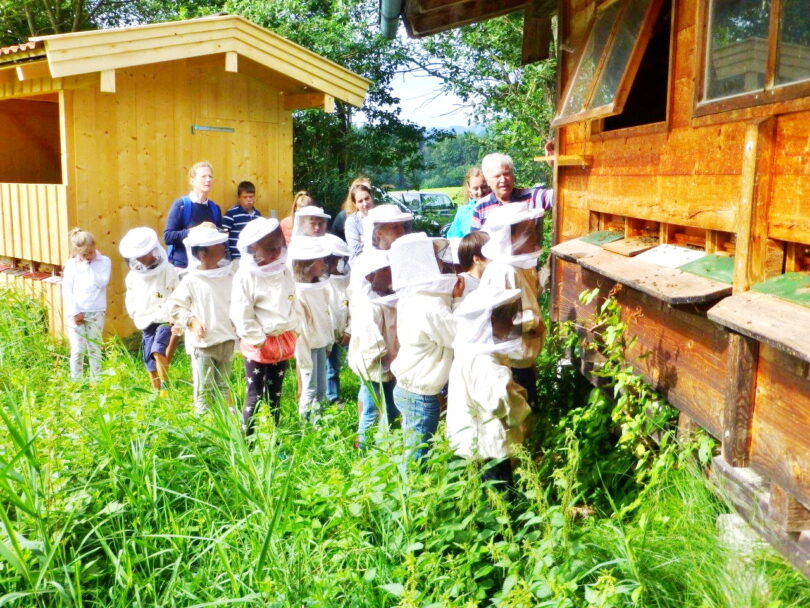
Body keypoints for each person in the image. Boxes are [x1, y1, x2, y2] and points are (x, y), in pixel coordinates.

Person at [446, 286, 531, 494]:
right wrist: (522, 401)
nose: (511, 323)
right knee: (499, 500)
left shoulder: (469, 351)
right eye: (507, 318)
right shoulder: (484, 363)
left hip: (469, 442)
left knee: (475, 496)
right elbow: (500, 403)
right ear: (490, 321)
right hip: (488, 447)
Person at [389, 233, 461, 461]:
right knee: (417, 459)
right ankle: (412, 485)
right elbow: (459, 336)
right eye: (434, 257)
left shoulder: (413, 297)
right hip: (420, 395)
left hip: (409, 388)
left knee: (413, 452)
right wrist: (460, 300)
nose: (440, 262)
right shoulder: (430, 306)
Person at [230, 218, 299, 434]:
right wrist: (258, 340)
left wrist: (293, 328)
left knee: (275, 394)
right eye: (270, 249)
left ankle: (274, 437)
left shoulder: (284, 270)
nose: (275, 253)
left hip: (282, 341)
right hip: (258, 346)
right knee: (254, 395)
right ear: (254, 247)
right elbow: (241, 313)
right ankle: (246, 440)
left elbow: (292, 300)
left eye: (278, 248)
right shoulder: (245, 276)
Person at [479, 202, 545, 411]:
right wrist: (533, 322)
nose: (534, 236)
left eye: (534, 229)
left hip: (521, 361)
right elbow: (496, 321)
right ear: (509, 237)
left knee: (530, 414)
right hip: (510, 364)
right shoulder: (503, 271)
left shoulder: (519, 266)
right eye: (528, 231)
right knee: (521, 419)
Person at [168, 226, 235, 414]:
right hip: (204, 344)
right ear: (203, 254)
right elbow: (174, 306)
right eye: (217, 244)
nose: (223, 247)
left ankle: (223, 426)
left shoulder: (229, 276)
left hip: (227, 340)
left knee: (224, 388)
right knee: (204, 390)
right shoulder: (191, 280)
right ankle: (203, 426)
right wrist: (192, 321)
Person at [348, 250, 399, 449]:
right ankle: (363, 449)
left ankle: (390, 444)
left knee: (392, 407)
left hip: (390, 364)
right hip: (373, 367)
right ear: (371, 276)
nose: (391, 273)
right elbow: (370, 342)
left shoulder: (388, 299)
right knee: (371, 408)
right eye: (386, 270)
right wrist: (382, 357)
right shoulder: (368, 305)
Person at [119, 227, 179, 391]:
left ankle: (166, 389)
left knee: (157, 351)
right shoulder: (133, 277)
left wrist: (174, 315)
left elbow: (175, 293)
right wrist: (134, 313)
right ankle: (156, 391)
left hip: (165, 319)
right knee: (148, 359)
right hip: (146, 320)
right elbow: (132, 298)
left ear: (151, 251)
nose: (139, 258)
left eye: (142, 254)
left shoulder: (168, 270)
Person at [289, 237, 334, 420]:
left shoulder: (320, 287)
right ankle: (305, 427)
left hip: (321, 342)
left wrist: (329, 341)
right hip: (307, 346)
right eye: (320, 261)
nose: (323, 264)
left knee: (321, 388)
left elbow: (326, 316)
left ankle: (319, 422)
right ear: (308, 265)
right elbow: (301, 329)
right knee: (309, 388)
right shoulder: (299, 292)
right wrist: (304, 356)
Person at [62, 228, 111, 380]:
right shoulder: (71, 265)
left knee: (94, 348)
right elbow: (67, 290)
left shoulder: (104, 261)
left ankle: (96, 381)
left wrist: (89, 266)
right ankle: (76, 381)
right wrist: (75, 311)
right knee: (78, 349)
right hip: (76, 312)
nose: (88, 256)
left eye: (90, 252)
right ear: (77, 252)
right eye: (84, 254)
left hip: (96, 310)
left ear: (94, 246)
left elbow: (102, 282)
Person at [470, 153, 553, 231]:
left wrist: (554, 164)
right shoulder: (481, 207)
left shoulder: (532, 197)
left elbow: (558, 196)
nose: (503, 180)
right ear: (488, 181)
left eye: (506, 174)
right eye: (497, 176)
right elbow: (476, 240)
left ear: (513, 175)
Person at [164, 161, 224, 268]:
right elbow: (168, 237)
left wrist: (219, 232)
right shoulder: (181, 205)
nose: (208, 179)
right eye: (203, 176)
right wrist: (197, 229)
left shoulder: (215, 208)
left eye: (210, 176)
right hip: (183, 267)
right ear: (192, 181)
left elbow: (220, 240)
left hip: (208, 268)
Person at [323, 233, 351, 404]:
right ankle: (324, 397)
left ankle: (333, 396)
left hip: (341, 332)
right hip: (324, 334)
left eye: (337, 260)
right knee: (323, 367)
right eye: (331, 260)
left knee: (334, 366)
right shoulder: (320, 283)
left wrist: (348, 330)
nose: (335, 264)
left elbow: (351, 306)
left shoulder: (346, 280)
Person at [222, 181, 262, 262]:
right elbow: (223, 235)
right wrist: (227, 256)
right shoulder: (231, 214)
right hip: (236, 258)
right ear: (239, 198)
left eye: (251, 197)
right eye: (245, 197)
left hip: (253, 259)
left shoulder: (258, 215)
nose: (248, 200)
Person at [446, 167, 491, 238]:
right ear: (469, 188)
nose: (480, 192)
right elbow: (453, 238)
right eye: (475, 188)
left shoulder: (498, 207)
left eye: (483, 187)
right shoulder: (463, 212)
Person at [331, 176, 370, 243]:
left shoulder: (376, 214)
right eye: (362, 188)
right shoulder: (343, 217)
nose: (364, 192)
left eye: (368, 190)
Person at [344, 183, 375, 262]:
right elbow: (355, 249)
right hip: (360, 262)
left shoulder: (382, 216)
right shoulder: (352, 222)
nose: (365, 203)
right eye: (360, 201)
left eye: (367, 198)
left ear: (371, 197)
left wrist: (365, 240)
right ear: (355, 204)